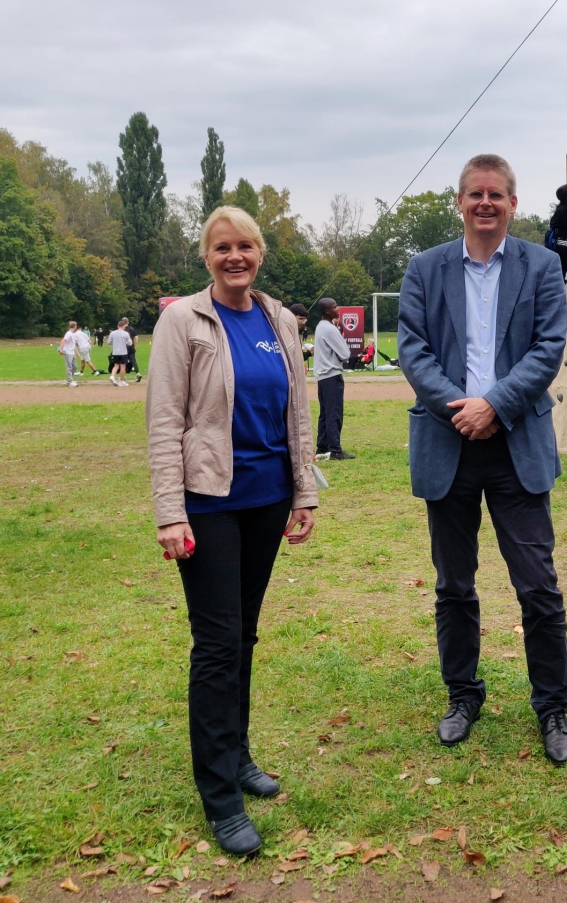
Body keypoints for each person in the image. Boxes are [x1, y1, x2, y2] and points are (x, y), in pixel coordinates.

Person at [146, 205, 317, 856]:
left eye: (245, 245)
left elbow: (296, 411)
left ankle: (239, 755)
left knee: (243, 635)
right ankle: (220, 796)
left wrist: (304, 491)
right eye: (223, 247)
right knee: (216, 645)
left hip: (267, 500)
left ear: (260, 252)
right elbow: (165, 422)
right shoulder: (182, 321)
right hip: (207, 505)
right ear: (207, 255)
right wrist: (170, 511)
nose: (235, 256)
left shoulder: (279, 320)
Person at [397, 153, 567, 767]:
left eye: (496, 194)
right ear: (460, 202)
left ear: (512, 203)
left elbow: (549, 345)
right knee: (454, 586)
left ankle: (553, 706)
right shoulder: (424, 269)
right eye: (475, 194)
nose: (485, 204)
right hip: (448, 443)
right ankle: (462, 695)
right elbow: (414, 352)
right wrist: (460, 410)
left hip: (516, 442)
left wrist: (494, 406)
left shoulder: (542, 265)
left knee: (538, 586)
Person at [313, 298, 354, 460]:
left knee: (324, 413)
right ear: (327, 311)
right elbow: (345, 354)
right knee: (334, 413)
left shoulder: (320, 327)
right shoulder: (330, 329)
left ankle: (322, 447)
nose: (338, 309)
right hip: (332, 375)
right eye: (335, 307)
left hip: (322, 376)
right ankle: (335, 450)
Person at [108, 318, 132, 386]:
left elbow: (109, 342)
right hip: (123, 352)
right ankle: (121, 380)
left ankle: (112, 376)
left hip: (115, 352)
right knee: (123, 366)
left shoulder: (112, 333)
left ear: (117, 326)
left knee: (116, 365)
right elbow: (130, 343)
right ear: (124, 326)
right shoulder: (126, 333)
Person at [289, 303, 311, 372]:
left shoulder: (296, 333)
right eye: (300, 319)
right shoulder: (285, 333)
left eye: (305, 319)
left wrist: (309, 353)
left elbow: (297, 358)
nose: (303, 322)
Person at [58, 321, 80, 388]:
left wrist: (78, 354)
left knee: (75, 367)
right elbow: (63, 341)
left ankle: (69, 379)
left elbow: (73, 345)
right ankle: (70, 381)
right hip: (68, 352)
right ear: (75, 326)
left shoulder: (72, 334)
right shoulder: (69, 334)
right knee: (69, 367)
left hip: (72, 353)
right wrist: (61, 350)